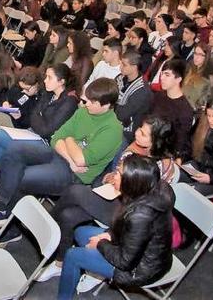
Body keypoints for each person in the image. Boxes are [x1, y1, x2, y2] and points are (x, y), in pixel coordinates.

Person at [0, 78, 123, 230]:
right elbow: (57, 137)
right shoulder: (84, 111)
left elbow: (81, 159)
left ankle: (9, 225)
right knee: (15, 148)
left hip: (73, 175)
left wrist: (68, 141)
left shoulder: (112, 129)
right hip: (61, 157)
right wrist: (70, 153)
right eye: (86, 100)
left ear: (107, 105)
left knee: (21, 176)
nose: (86, 104)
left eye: (92, 102)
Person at [39, 118, 176, 285]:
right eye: (139, 128)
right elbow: (124, 175)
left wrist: (122, 183)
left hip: (128, 215)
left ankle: (48, 229)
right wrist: (114, 176)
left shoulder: (158, 166)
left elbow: (142, 200)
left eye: (143, 133)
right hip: (120, 199)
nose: (136, 132)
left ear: (156, 141)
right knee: (68, 216)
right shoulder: (139, 146)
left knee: (74, 192)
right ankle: (60, 262)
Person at [54, 155, 174, 298]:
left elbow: (124, 263)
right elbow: (130, 233)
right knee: (80, 232)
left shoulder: (140, 216)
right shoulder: (148, 189)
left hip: (139, 269)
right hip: (134, 248)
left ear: (131, 181)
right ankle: (93, 269)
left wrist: (101, 243)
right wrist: (110, 234)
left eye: (118, 173)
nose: (114, 176)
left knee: (72, 256)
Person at [0, 64, 79, 160]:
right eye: (46, 77)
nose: (45, 81)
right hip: (32, 132)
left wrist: (37, 116)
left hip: (44, 142)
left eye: (49, 77)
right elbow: (34, 114)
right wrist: (38, 117)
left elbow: (45, 131)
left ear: (61, 81)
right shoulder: (49, 93)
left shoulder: (69, 102)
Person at [150, 59, 194, 161]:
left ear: (178, 79)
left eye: (167, 75)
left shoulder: (185, 110)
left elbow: (180, 142)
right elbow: (148, 118)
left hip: (164, 153)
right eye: (161, 74)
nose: (162, 78)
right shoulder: (158, 96)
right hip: (150, 142)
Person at [182, 42, 213, 109]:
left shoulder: (209, 77)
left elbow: (203, 102)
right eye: (195, 53)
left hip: (192, 109)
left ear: (206, 56)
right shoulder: (190, 68)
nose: (196, 57)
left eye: (201, 54)